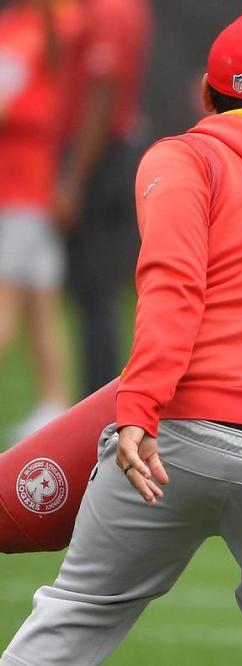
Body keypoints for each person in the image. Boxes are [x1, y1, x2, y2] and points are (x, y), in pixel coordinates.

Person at [2, 13, 242, 666]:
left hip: (179, 436)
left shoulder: (184, 158)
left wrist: (138, 410)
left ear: (205, 93)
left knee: (78, 614)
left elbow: (173, 287)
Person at [56, 0, 151, 396]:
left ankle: (96, 398)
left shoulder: (111, 9)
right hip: (105, 153)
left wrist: (74, 179)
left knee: (96, 289)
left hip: (101, 157)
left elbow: (102, 91)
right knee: (92, 290)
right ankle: (94, 397)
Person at [0, 0, 78, 442]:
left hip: (29, 185)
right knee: (39, 301)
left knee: (10, 296)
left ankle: (54, 402)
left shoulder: (58, 20)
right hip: (16, 184)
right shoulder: (13, 24)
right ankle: (54, 403)